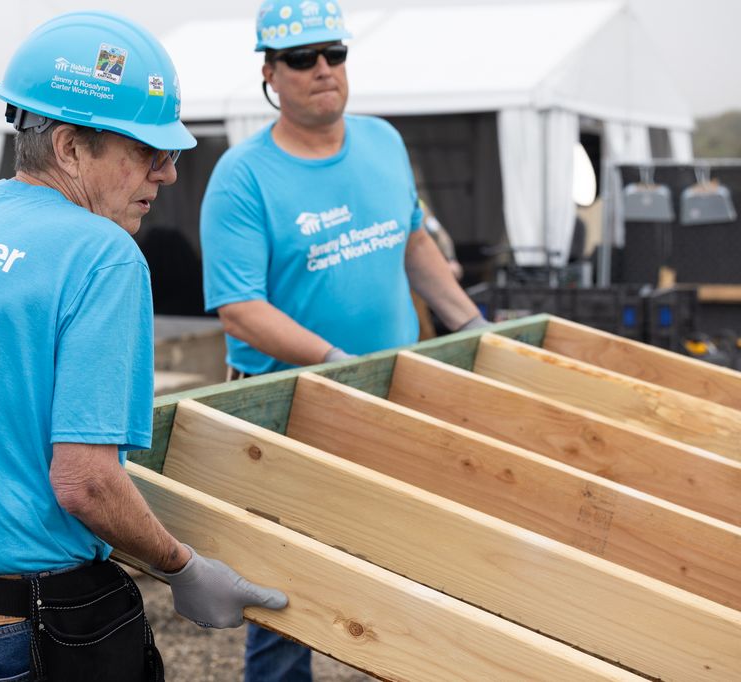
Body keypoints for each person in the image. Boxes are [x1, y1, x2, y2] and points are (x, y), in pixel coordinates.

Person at [0, 11, 286, 682]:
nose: (168, 174)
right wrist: (183, 566)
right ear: (68, 147)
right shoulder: (102, 256)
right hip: (10, 622)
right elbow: (85, 482)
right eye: (149, 151)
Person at [200, 1, 486, 678]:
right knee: (287, 588)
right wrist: (338, 365)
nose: (322, 69)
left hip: (391, 392)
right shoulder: (243, 176)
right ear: (270, 73)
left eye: (334, 53)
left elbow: (412, 243)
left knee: (400, 563)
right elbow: (240, 310)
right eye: (301, 58)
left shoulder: (383, 141)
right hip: (288, 408)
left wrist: (472, 326)